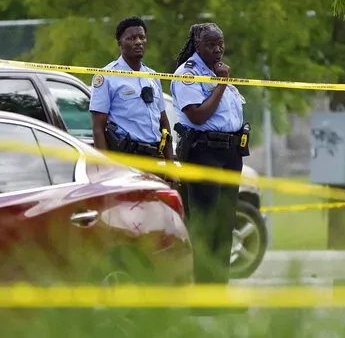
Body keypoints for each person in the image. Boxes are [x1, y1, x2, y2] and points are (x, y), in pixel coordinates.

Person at [171, 23, 250, 286]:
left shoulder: (219, 71)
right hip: (204, 152)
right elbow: (197, 114)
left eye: (220, 44)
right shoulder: (189, 74)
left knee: (225, 224)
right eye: (210, 44)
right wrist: (220, 85)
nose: (217, 50)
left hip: (230, 153)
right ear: (197, 44)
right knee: (205, 225)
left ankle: (219, 292)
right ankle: (203, 293)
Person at [89, 16, 174, 163]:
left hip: (154, 157)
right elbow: (98, 128)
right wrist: (104, 168)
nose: (138, 42)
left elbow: (164, 122)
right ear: (120, 43)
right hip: (125, 159)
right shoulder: (106, 76)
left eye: (142, 37)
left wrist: (170, 165)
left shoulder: (152, 76)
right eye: (131, 38)